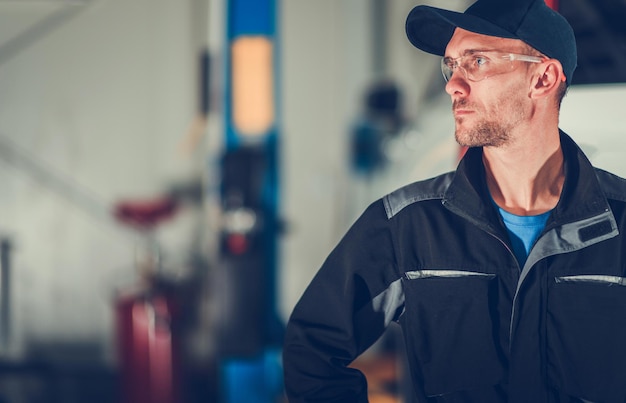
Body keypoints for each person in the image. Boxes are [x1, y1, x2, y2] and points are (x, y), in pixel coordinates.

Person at [283, 0, 626, 402]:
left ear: (543, 78)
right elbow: (312, 348)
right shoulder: (407, 225)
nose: (452, 84)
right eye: (451, 65)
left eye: (476, 62)